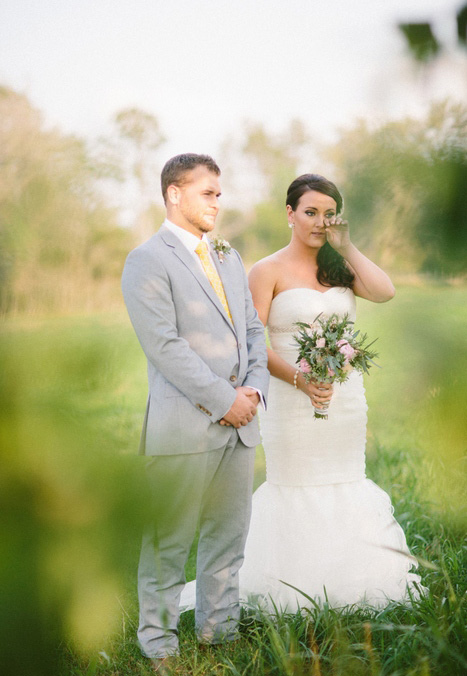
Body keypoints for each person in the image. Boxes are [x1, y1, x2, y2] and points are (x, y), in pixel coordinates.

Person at [237, 173, 424, 610]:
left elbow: (385, 291)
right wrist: (301, 381)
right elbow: (251, 344)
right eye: (310, 213)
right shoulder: (266, 270)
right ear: (290, 214)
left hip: (344, 399)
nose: (319, 222)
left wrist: (346, 246)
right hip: (290, 398)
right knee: (297, 482)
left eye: (328, 214)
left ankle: (351, 578)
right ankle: (289, 585)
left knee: (345, 478)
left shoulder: (339, 266)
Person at [121, 153, 269, 672]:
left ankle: (218, 631)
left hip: (241, 423)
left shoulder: (228, 255)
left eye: (219, 193)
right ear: (174, 195)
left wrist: (253, 391)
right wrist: (224, 400)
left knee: (228, 536)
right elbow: (164, 346)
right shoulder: (146, 259)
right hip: (184, 427)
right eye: (208, 192)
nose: (217, 202)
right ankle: (159, 644)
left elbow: (253, 328)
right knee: (168, 543)